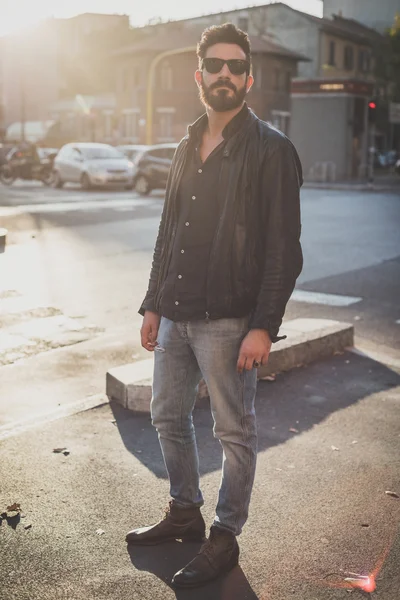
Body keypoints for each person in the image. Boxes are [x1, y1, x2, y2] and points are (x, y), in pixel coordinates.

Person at [126, 23, 303, 589]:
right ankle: (185, 511)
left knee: (234, 430)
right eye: (215, 64)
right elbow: (168, 230)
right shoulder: (184, 146)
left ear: (249, 78)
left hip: (230, 319)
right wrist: (153, 304)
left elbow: (284, 250)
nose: (225, 73)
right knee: (166, 415)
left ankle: (224, 535)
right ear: (198, 75)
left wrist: (264, 327)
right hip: (175, 312)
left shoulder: (272, 150)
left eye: (235, 66)